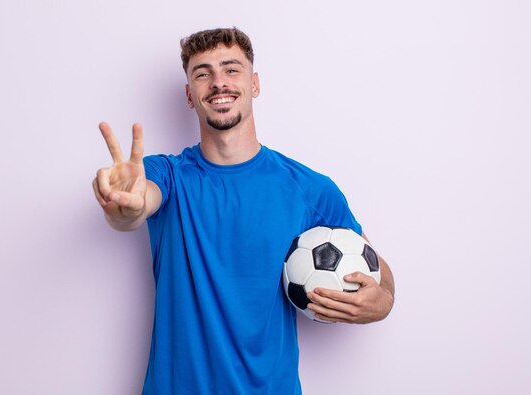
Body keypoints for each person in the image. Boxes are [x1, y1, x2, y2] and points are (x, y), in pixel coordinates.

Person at [92, 27, 395, 395]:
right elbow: (136, 207)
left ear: (254, 84)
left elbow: (372, 262)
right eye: (203, 73)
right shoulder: (165, 175)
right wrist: (124, 207)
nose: (218, 82)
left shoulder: (309, 188)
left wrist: (383, 301)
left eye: (231, 69)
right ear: (190, 95)